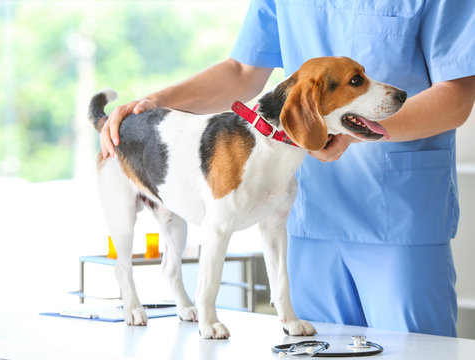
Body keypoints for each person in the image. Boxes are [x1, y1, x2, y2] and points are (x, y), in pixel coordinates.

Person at [99, 0, 475, 337]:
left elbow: (457, 97)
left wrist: (356, 132)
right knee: (311, 346)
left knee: (416, 351)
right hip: (308, 225)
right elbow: (242, 70)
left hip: (397, 221)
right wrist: (155, 101)